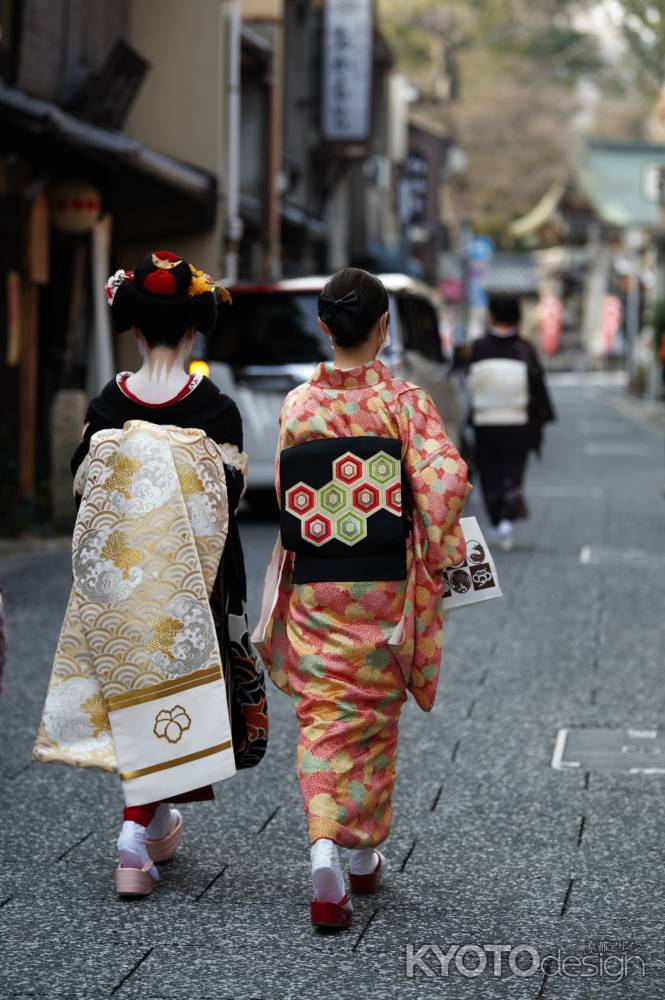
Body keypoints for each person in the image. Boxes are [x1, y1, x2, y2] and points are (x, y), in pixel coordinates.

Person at [33, 250, 267, 896]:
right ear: (192, 327)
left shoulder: (110, 404)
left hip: (122, 581)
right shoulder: (214, 407)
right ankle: (133, 836)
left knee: (137, 693)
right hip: (195, 582)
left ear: (134, 328)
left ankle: (151, 819)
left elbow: (87, 495)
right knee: (179, 695)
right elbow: (229, 494)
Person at [253, 267, 470, 929]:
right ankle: (360, 854)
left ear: (324, 327)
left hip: (317, 577)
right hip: (380, 583)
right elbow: (443, 482)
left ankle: (325, 846)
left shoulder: (298, 405)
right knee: (371, 720)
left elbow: (294, 494)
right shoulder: (403, 402)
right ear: (384, 327)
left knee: (324, 714)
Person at [467, 294, 555, 551]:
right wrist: (540, 421)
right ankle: (506, 517)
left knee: (489, 473)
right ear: (518, 317)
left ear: (491, 316)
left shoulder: (478, 348)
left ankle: (498, 518)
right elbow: (538, 388)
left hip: (486, 421)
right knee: (513, 473)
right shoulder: (524, 349)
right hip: (519, 421)